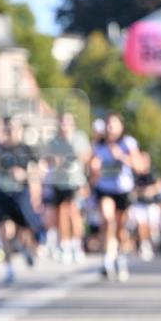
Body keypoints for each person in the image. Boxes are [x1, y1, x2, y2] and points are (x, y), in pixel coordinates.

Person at [0, 115, 41, 284]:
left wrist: (24, 177)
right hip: (2, 194)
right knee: (5, 230)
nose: (11, 132)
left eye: (15, 128)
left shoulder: (27, 149)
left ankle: (27, 249)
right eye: (8, 128)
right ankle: (9, 268)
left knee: (25, 230)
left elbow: (36, 172)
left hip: (21, 193)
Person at [89, 112, 141, 282]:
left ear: (121, 126)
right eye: (108, 124)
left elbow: (139, 166)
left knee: (120, 229)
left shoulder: (128, 143)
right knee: (107, 219)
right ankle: (107, 261)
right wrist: (94, 168)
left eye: (114, 123)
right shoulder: (99, 145)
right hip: (105, 189)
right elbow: (92, 166)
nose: (110, 127)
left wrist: (122, 157)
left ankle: (120, 258)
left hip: (123, 190)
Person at [43, 111, 91, 264]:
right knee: (62, 213)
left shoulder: (79, 137)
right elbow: (47, 158)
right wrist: (54, 160)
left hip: (76, 182)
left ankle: (77, 245)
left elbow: (86, 155)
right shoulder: (54, 141)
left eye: (67, 123)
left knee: (74, 213)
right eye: (62, 123)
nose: (64, 126)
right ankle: (65, 245)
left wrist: (69, 156)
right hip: (59, 183)